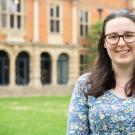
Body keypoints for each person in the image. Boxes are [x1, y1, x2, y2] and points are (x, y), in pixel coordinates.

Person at [67, 9, 135, 134]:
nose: (121, 43)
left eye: (129, 35)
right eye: (113, 36)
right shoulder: (86, 84)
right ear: (104, 42)